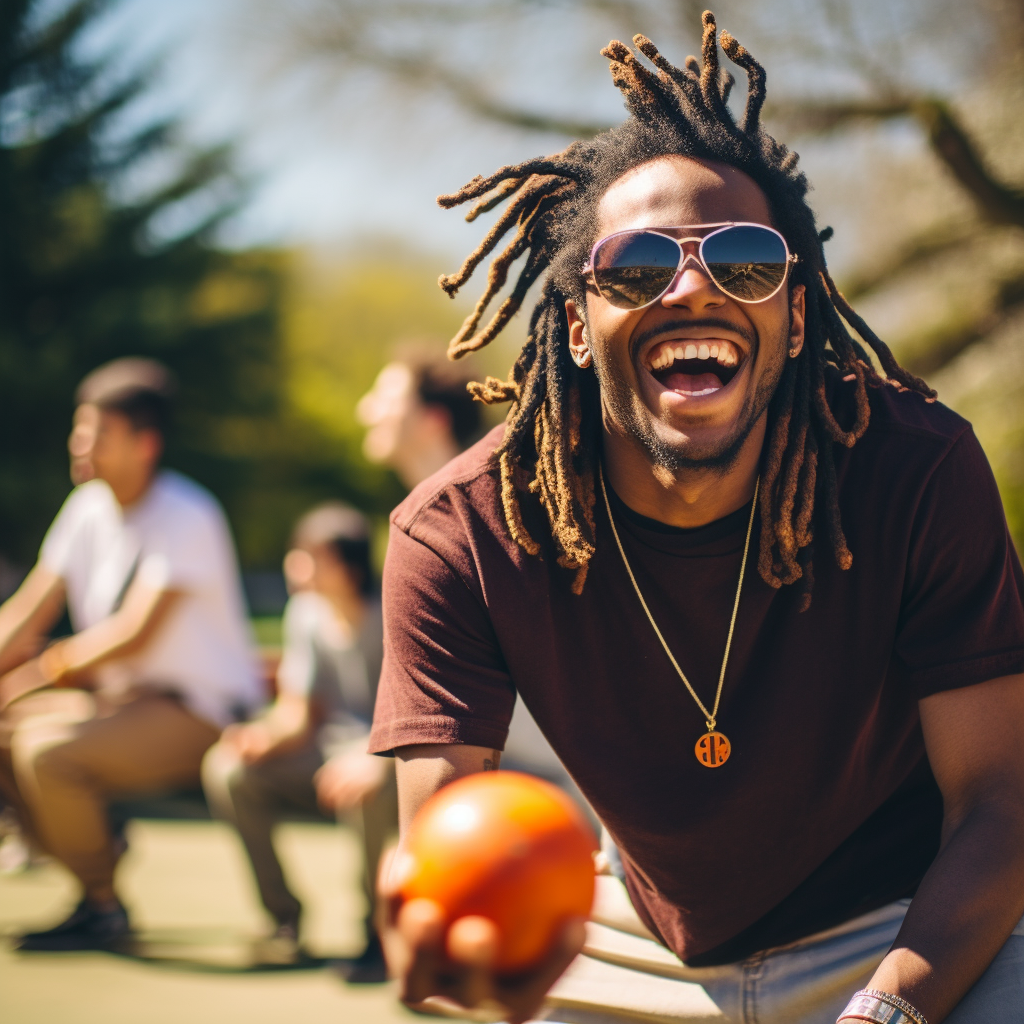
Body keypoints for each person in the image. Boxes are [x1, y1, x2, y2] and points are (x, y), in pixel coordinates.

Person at [368, 15, 1024, 1024]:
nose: (691, 287)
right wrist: (451, 934)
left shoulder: (915, 469)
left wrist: (884, 1012)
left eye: (747, 261)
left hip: (908, 925)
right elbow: (445, 848)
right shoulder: (458, 535)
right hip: (624, 940)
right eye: (634, 269)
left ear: (796, 316)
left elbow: (999, 802)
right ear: (579, 326)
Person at [0, 357, 261, 951]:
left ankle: (101, 904)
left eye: (98, 434)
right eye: (79, 429)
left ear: (145, 444)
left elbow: (134, 631)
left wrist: (36, 676)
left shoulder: (186, 513)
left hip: (198, 711)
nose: (81, 445)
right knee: (4, 733)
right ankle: (94, 859)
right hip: (122, 706)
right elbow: (27, 609)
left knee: (46, 754)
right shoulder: (86, 509)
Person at [358, 349, 587, 795]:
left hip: (550, 782)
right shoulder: (420, 530)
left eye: (385, 396)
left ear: (432, 420)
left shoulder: (517, 516)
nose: (365, 409)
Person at [202, 502, 395, 980]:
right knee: (228, 772)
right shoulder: (305, 614)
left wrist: (372, 759)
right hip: (324, 756)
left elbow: (416, 712)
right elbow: (298, 713)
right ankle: (282, 919)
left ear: (347, 568)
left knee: (364, 789)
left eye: (310, 555)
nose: (295, 565)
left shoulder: (392, 614)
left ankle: (379, 934)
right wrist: (260, 737)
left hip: (388, 760)